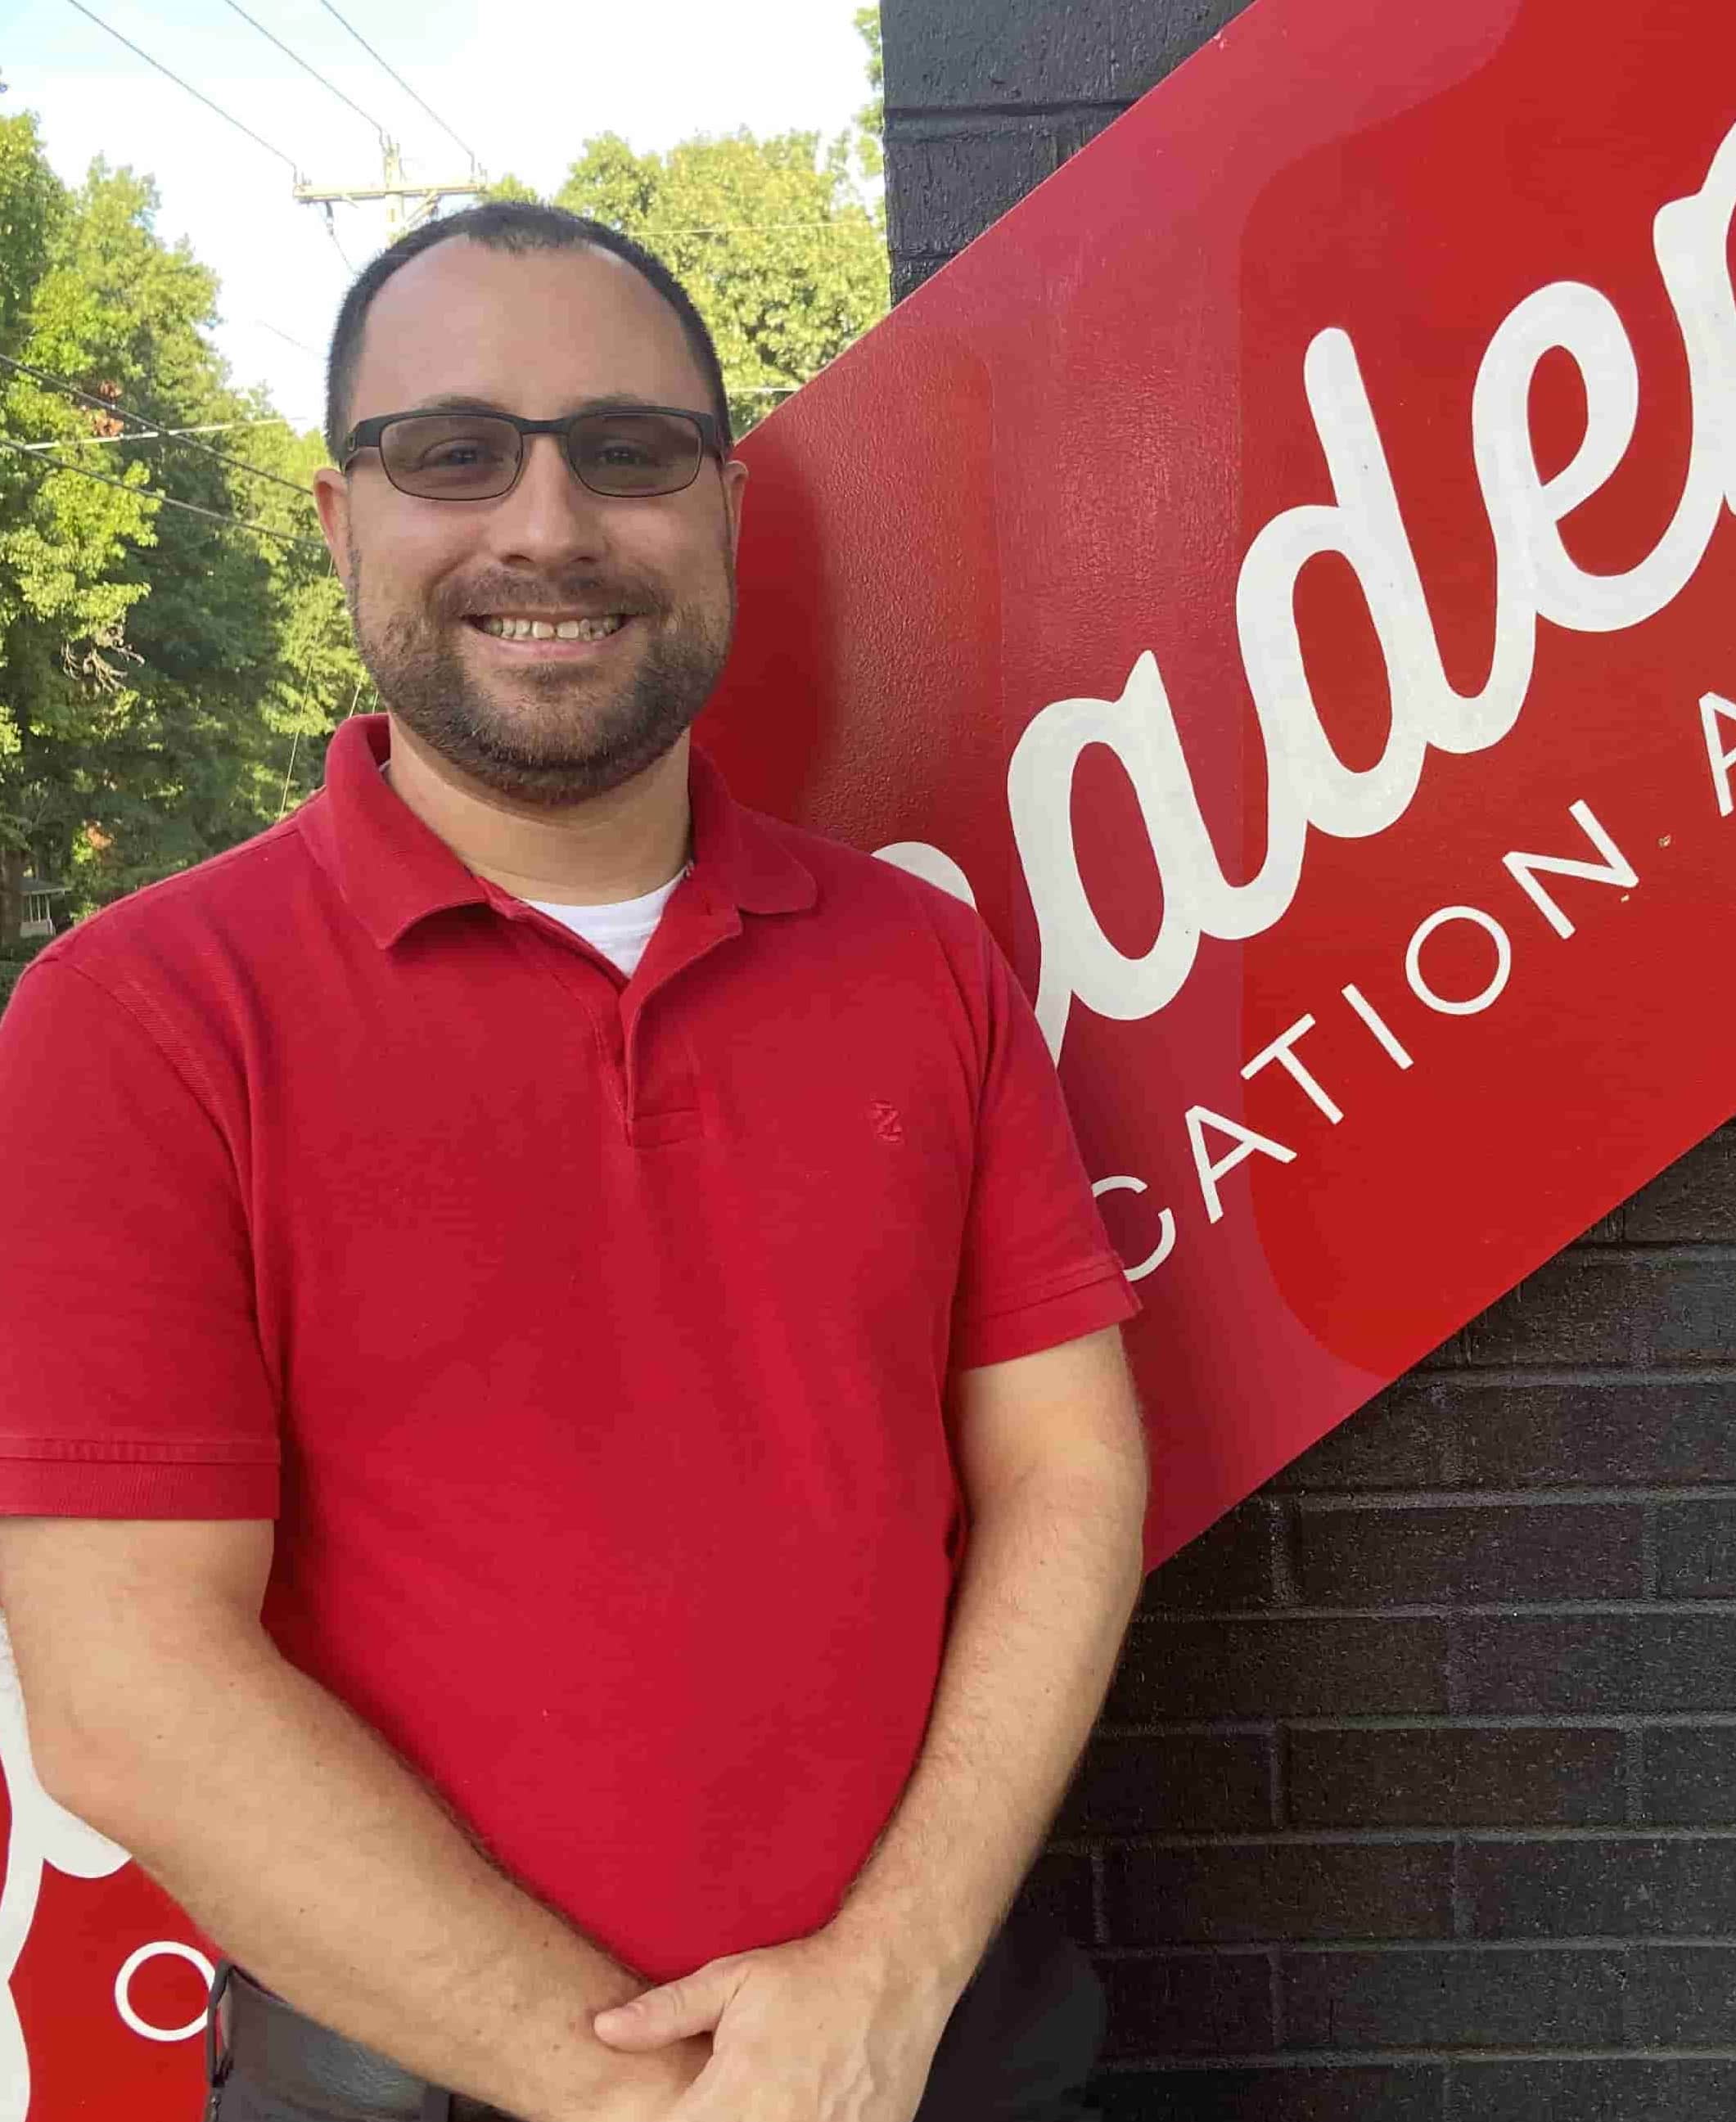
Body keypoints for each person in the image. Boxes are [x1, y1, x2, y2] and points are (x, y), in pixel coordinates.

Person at [0, 202, 1149, 2122]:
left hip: (938, 2054)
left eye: (627, 450)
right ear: (337, 520)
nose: (547, 525)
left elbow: (1065, 1466)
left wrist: (884, 1980)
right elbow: (126, 1685)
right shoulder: (138, 1017)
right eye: (453, 451)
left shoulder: (918, 963)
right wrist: (655, 2102)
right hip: (415, 2086)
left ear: (722, 509)